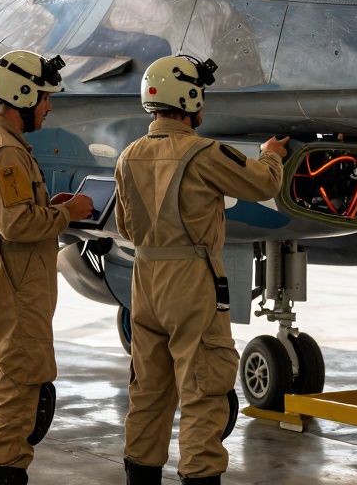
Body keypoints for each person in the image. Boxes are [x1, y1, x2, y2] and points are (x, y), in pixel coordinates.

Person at [116, 54, 289, 485]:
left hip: (144, 281)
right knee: (202, 392)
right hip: (191, 283)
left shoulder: (129, 156)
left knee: (148, 393)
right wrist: (271, 156)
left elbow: (123, 225)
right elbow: (262, 184)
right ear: (190, 98)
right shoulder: (203, 152)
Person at [0, 49, 94, 485]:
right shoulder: (5, 151)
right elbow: (16, 224)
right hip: (12, 277)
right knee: (17, 394)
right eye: (44, 98)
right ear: (22, 96)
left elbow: (12, 213)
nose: (49, 106)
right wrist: (68, 213)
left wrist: (47, 207)